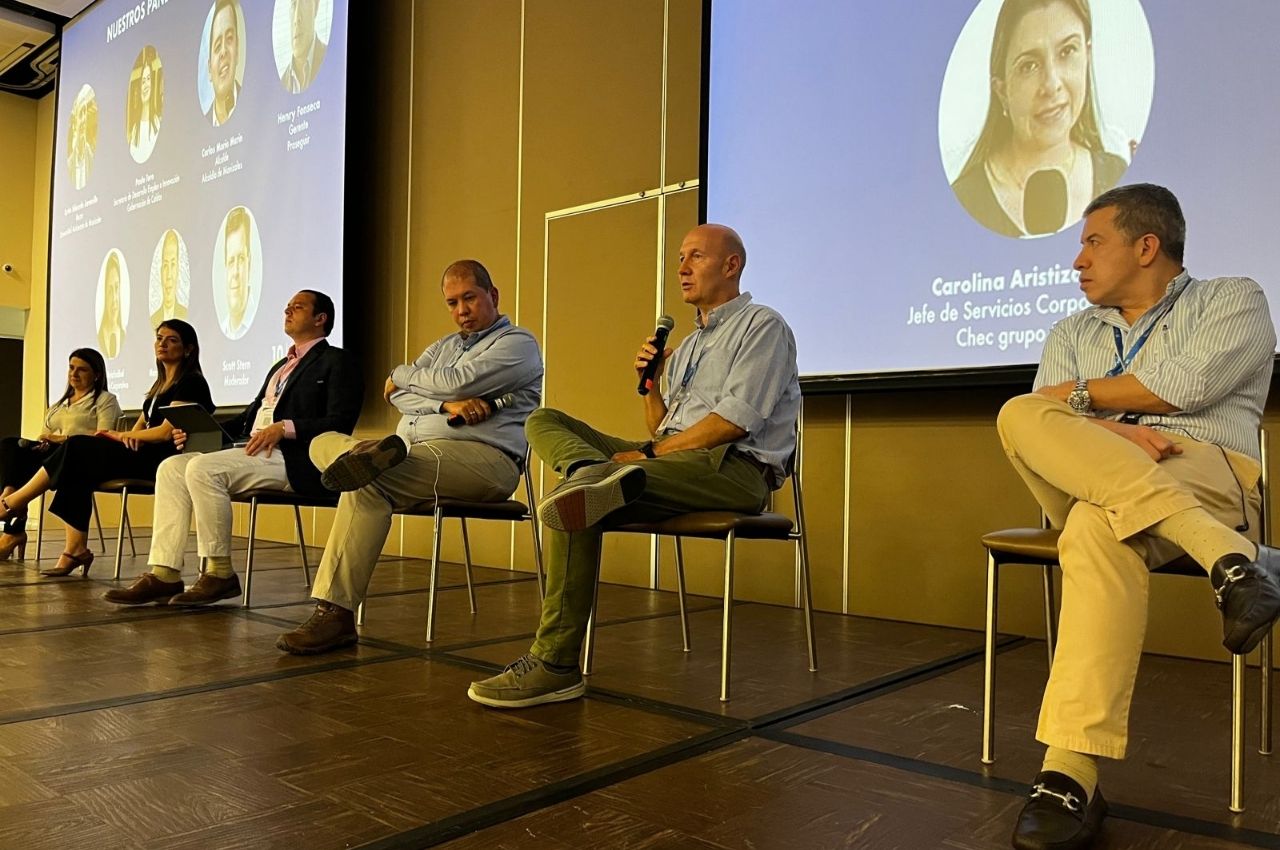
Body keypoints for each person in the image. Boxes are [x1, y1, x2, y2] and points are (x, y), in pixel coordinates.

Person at [996, 184, 1280, 850]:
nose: (1076, 261)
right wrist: (1122, 434)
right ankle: (1230, 560)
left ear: (1146, 245)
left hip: (1204, 465)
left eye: (1093, 241)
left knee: (1097, 526)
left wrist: (1090, 407)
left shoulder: (1232, 299)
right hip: (1102, 471)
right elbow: (1045, 414)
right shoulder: (1072, 332)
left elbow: (1183, 389)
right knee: (1017, 411)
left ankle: (1068, 775)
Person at [465, 223, 800, 708]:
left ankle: (555, 664)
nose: (681, 267)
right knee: (544, 420)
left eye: (696, 257)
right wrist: (651, 385)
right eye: (680, 256)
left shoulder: (762, 327)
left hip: (733, 469)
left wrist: (646, 455)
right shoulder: (685, 345)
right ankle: (588, 476)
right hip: (674, 460)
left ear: (732, 266)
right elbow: (663, 429)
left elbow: (733, 423)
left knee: (580, 496)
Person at [275, 260, 543, 654]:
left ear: (493, 296)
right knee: (326, 445)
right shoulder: (445, 346)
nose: (461, 311)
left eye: (469, 298)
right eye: (452, 303)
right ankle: (364, 457)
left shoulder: (517, 344)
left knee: (369, 475)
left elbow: (450, 382)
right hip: (417, 455)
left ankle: (335, 613)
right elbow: (397, 397)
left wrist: (401, 373)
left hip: (485, 461)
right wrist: (446, 408)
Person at [105, 291, 362, 607]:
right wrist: (203, 431)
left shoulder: (338, 361)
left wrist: (285, 427)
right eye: (287, 305)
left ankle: (219, 572)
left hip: (295, 456)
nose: (288, 310)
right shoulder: (281, 365)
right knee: (171, 467)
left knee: (202, 469)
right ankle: (164, 573)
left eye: (298, 307)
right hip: (254, 448)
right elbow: (250, 415)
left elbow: (341, 420)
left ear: (320, 318)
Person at [0, 321, 214, 579]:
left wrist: (123, 435)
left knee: (77, 447)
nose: (162, 344)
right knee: (74, 458)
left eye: (172, 340)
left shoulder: (191, 383)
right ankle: (74, 548)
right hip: (141, 451)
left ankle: (13, 502)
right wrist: (127, 436)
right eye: (159, 338)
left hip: (164, 459)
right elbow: (141, 426)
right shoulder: (159, 387)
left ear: (189, 349)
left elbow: (166, 432)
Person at [950, 0, 1127, 238]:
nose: (1051, 85)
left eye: (1067, 52)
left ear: (1088, 56)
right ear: (1002, 91)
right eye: (1029, 66)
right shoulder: (965, 198)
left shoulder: (1119, 176)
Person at [0, 349, 122, 560]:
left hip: (83, 457)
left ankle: (12, 524)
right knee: (12, 445)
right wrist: (44, 442)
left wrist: (63, 439)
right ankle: (9, 498)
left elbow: (105, 437)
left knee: (62, 459)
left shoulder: (105, 400)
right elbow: (47, 434)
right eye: (71, 368)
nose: (74, 374)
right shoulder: (59, 405)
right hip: (53, 456)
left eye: (82, 370)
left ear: (97, 375)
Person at [205, 0, 241, 127]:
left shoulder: (255, 104)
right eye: (218, 45)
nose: (224, 51)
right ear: (209, 69)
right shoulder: (200, 129)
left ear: (237, 51)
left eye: (230, 38)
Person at [220, 207, 254, 339]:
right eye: (230, 261)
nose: (235, 273)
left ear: (249, 263)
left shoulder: (263, 318)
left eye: (240, 259)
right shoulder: (223, 328)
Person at [282, 0, 327, 93]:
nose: (296, 19)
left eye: (304, 1)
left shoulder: (332, 59)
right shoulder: (282, 83)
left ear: (316, 6)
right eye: (293, 4)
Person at [127, 46, 162, 163]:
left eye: (148, 79)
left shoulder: (158, 125)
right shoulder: (134, 130)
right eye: (143, 81)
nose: (146, 85)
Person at [151, 229, 189, 327]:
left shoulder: (184, 315)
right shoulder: (154, 318)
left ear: (178, 270)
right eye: (165, 265)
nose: (168, 276)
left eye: (173, 265)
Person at [98, 251, 127, 359]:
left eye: (116, 288)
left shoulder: (124, 334)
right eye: (110, 290)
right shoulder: (100, 334)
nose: (114, 298)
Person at [68, 85, 96, 190]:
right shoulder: (70, 164)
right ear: (75, 123)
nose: (84, 119)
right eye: (81, 114)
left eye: (85, 113)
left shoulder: (91, 158)